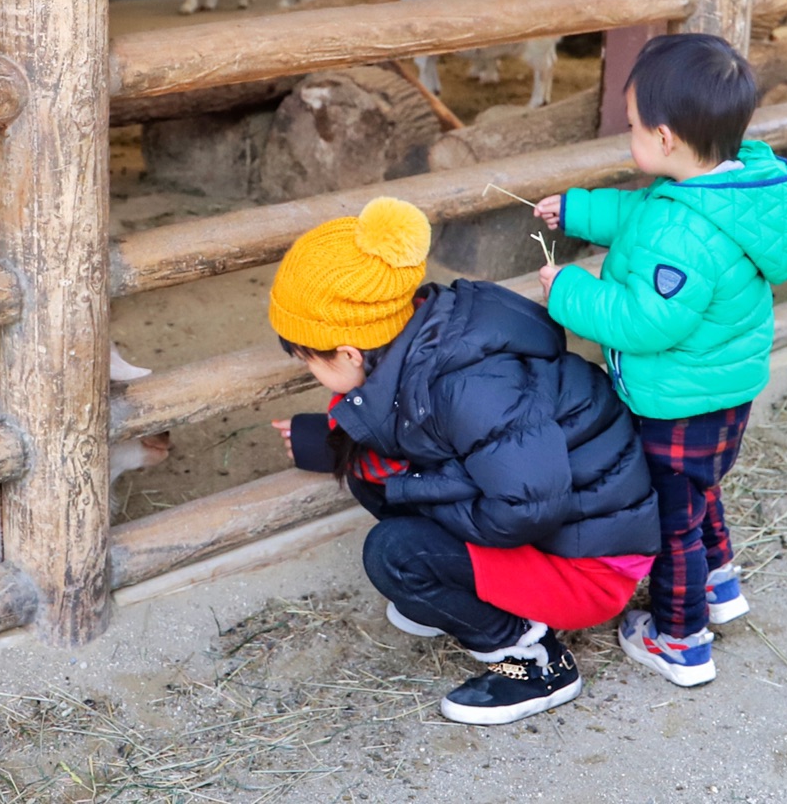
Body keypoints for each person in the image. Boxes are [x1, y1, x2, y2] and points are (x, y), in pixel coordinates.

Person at [271, 196, 659, 725]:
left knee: (394, 553)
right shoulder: (433, 336)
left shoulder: (469, 385)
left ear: (348, 354)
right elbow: (419, 440)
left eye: (307, 360)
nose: (307, 371)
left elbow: (527, 506)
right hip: (561, 525)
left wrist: (411, 491)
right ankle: (457, 593)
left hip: (590, 565)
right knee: (378, 480)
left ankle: (533, 661)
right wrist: (338, 444)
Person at [535, 32, 787, 688]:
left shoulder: (682, 232)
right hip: (719, 395)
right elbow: (640, 213)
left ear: (664, 139)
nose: (627, 136)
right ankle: (720, 584)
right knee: (699, 495)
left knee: (672, 521)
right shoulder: (713, 190)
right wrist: (576, 210)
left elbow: (643, 321)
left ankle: (680, 639)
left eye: (631, 127)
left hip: (677, 403)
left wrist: (567, 290)